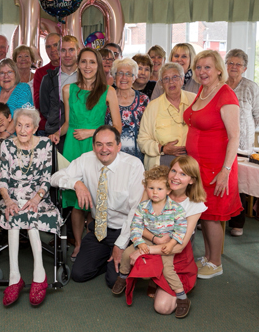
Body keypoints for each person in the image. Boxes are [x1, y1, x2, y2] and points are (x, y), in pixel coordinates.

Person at [51, 126, 145, 287]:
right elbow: (55, 178)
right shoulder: (86, 159)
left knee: (113, 281)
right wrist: (76, 183)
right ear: (94, 146)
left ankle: (114, 260)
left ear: (118, 146)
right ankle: (106, 259)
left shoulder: (133, 166)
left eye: (109, 144)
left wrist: (120, 244)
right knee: (79, 274)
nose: (104, 149)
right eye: (99, 144)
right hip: (99, 230)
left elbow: (136, 212)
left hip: (124, 231)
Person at [51, 48, 121, 262]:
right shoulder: (68, 89)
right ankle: (80, 244)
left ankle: (95, 242)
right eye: (84, 62)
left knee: (96, 194)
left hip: (97, 147)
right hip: (73, 145)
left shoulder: (108, 91)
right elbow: (68, 123)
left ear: (99, 65)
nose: (88, 66)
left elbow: (117, 126)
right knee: (75, 198)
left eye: (92, 62)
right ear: (78, 65)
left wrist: (92, 132)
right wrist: (56, 133)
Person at [183, 50, 242, 279]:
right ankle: (208, 256)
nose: (202, 72)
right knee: (203, 212)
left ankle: (216, 263)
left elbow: (234, 136)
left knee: (212, 216)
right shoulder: (203, 90)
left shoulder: (226, 94)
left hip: (217, 167)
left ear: (219, 69)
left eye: (207, 67)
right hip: (199, 166)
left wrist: (225, 172)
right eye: (199, 67)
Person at [126, 156, 206, 316]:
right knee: (126, 259)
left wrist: (145, 250)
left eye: (183, 174)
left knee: (163, 308)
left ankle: (180, 285)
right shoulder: (155, 188)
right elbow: (138, 223)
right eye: (174, 170)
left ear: (191, 180)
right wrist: (153, 240)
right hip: (153, 243)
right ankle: (153, 279)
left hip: (175, 254)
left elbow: (180, 245)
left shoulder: (194, 204)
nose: (176, 177)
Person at [0, 108, 62, 307]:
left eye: (27, 126)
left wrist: (36, 200)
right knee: (14, 216)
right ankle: (14, 277)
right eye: (19, 125)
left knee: (31, 217)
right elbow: (2, 180)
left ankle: (38, 274)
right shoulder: (6, 145)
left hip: (38, 197)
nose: (22, 129)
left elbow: (46, 179)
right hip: (13, 196)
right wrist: (8, 200)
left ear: (35, 128)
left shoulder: (44, 144)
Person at [112, 165, 191, 319]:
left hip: (166, 243)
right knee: (128, 253)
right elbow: (136, 226)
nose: (155, 192)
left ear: (168, 190)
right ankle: (122, 276)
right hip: (147, 240)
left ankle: (182, 298)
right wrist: (139, 242)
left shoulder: (176, 209)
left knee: (168, 269)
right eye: (151, 188)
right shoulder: (142, 207)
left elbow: (180, 230)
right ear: (146, 188)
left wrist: (172, 244)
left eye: (160, 189)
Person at [225, 49, 259, 237]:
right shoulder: (220, 85)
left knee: (239, 185)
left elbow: (258, 115)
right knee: (221, 180)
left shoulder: (251, 87)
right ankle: (217, 218)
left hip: (243, 144)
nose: (234, 67)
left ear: (245, 68)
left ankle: (237, 222)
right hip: (222, 142)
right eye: (231, 63)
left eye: (238, 64)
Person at [137, 63, 196, 170]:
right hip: (162, 161)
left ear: (182, 79)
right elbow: (142, 140)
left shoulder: (194, 100)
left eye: (175, 77)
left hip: (191, 161)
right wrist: (162, 148)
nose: (171, 82)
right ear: (161, 84)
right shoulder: (153, 106)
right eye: (166, 79)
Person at [39, 35, 79, 149]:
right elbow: (45, 109)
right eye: (63, 50)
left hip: (81, 135)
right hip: (55, 136)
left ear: (78, 51)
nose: (67, 54)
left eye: (71, 50)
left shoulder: (86, 78)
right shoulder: (48, 79)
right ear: (58, 52)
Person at [106, 58, 149, 162]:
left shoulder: (144, 100)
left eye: (129, 74)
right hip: (110, 155)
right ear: (114, 76)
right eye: (120, 73)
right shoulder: (105, 98)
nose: (124, 77)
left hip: (137, 157)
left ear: (134, 78)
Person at [0, 58, 33, 137]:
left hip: (20, 138)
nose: (6, 76)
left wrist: (3, 135)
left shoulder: (24, 88)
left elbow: (20, 116)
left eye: (9, 72)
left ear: (15, 74)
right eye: (2, 73)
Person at [33, 33, 62, 133]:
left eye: (55, 45)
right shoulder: (40, 72)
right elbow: (38, 101)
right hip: (45, 126)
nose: (52, 49)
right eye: (48, 46)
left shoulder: (73, 70)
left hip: (69, 125)